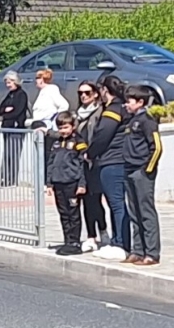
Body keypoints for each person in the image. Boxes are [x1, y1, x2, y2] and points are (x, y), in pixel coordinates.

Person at [117, 86, 164, 266]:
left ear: (140, 102)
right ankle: (138, 250)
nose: (126, 104)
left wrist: (147, 169)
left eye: (130, 101)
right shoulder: (131, 121)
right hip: (128, 168)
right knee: (134, 212)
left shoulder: (147, 120)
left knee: (146, 211)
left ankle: (152, 253)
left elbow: (157, 147)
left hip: (141, 170)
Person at [86, 75, 130, 260]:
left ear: (105, 90)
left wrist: (91, 152)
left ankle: (121, 243)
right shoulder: (121, 108)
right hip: (117, 160)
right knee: (115, 204)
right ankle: (117, 240)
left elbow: (102, 135)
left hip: (112, 161)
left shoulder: (113, 110)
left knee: (116, 203)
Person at [46, 111, 89, 255]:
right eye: (60, 128)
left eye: (66, 127)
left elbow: (83, 164)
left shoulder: (78, 142)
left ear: (73, 127)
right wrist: (49, 183)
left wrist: (82, 184)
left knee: (73, 214)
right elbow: (51, 162)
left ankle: (75, 242)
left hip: (72, 183)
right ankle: (67, 241)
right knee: (63, 213)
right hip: (59, 183)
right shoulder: (56, 143)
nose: (63, 131)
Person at [74, 82, 108, 252]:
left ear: (95, 94)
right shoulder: (77, 114)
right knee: (86, 200)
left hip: (96, 161)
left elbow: (100, 136)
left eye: (87, 93)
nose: (83, 96)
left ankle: (103, 230)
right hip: (81, 162)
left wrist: (92, 153)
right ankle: (91, 236)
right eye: (80, 93)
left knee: (96, 200)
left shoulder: (100, 112)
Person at [0, 71, 28, 185]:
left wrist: (8, 112)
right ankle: (4, 177)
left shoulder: (21, 94)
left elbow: (18, 111)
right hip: (6, 127)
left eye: (9, 82)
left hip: (16, 128)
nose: (8, 85)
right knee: (6, 154)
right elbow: (1, 109)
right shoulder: (9, 95)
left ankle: (11, 178)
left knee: (13, 154)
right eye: (6, 82)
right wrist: (6, 111)